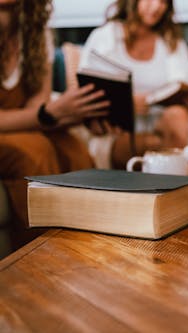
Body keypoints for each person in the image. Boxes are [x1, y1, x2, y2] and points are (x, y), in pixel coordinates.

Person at [0, 0, 109, 249]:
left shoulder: (36, 29)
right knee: (35, 151)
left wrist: (66, 115)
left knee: (75, 150)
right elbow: (40, 113)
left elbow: (38, 102)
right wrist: (48, 114)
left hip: (19, 125)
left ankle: (91, 248)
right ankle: (40, 259)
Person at [80, 0, 188, 168]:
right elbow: (88, 94)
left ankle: (173, 177)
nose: (157, 6)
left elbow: (182, 87)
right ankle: (175, 173)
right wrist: (126, 104)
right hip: (119, 133)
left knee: (177, 115)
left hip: (164, 125)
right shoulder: (105, 37)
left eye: (164, 1)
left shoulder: (171, 41)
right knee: (158, 145)